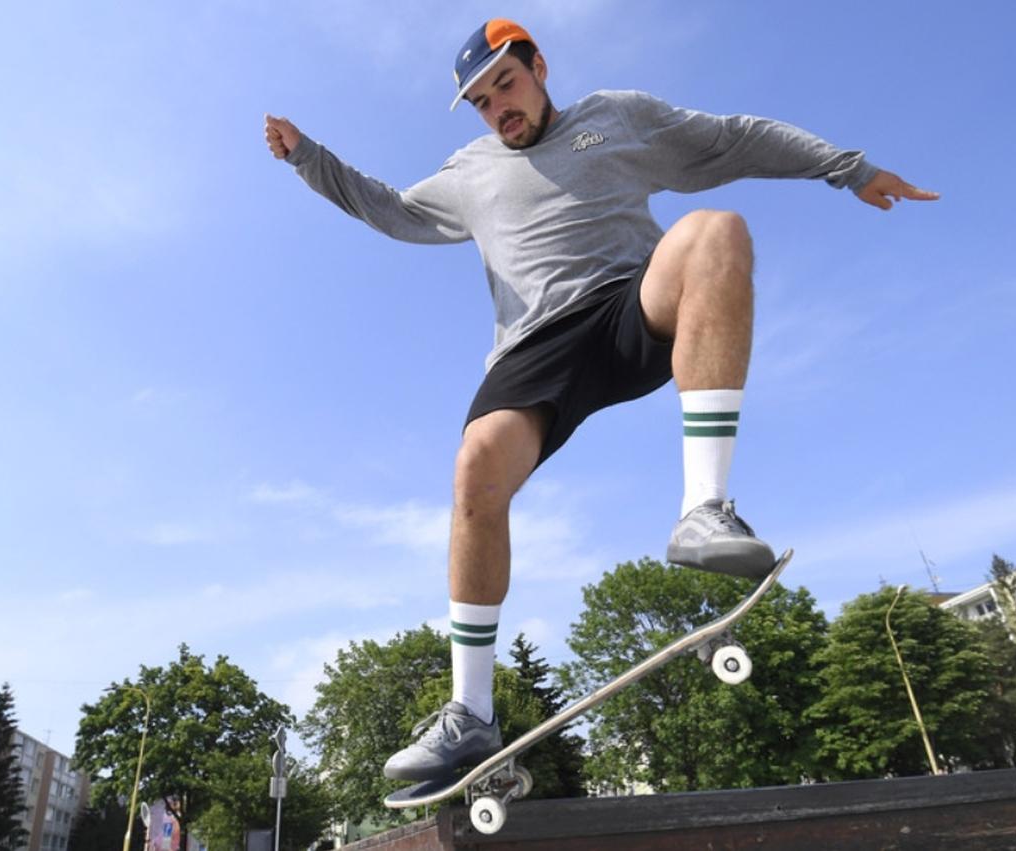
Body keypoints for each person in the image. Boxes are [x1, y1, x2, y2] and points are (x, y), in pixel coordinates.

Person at [264, 18, 938, 783]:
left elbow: (734, 138)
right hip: (534, 347)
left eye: (507, 87)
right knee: (475, 471)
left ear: (539, 66)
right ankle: (470, 715)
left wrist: (845, 167)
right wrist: (307, 160)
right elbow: (389, 209)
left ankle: (704, 509)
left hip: (629, 309)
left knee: (715, 231)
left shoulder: (620, 117)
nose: (500, 111)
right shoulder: (469, 172)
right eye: (483, 103)